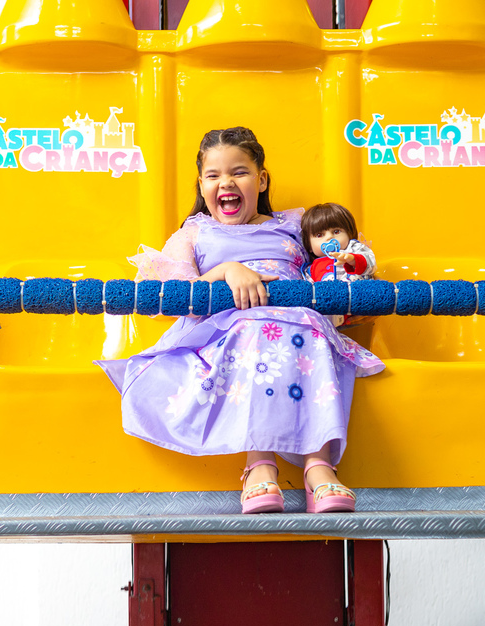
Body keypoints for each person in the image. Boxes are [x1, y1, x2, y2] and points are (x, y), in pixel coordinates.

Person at [95, 127, 384, 514]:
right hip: (227, 331)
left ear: (261, 180)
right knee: (255, 327)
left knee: (308, 326)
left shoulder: (293, 225)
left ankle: (319, 464)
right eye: (213, 175)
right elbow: (173, 295)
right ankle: (259, 462)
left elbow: (338, 261)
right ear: (202, 185)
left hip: (301, 324)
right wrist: (227, 270)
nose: (226, 183)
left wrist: (347, 276)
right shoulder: (195, 232)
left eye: (239, 172)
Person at [301, 202, 377, 327]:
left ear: (349, 234)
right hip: (328, 309)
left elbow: (371, 264)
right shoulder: (311, 268)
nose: (329, 238)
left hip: (357, 298)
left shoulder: (355, 249)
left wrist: (353, 259)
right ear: (309, 246)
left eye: (336, 231)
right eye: (319, 235)